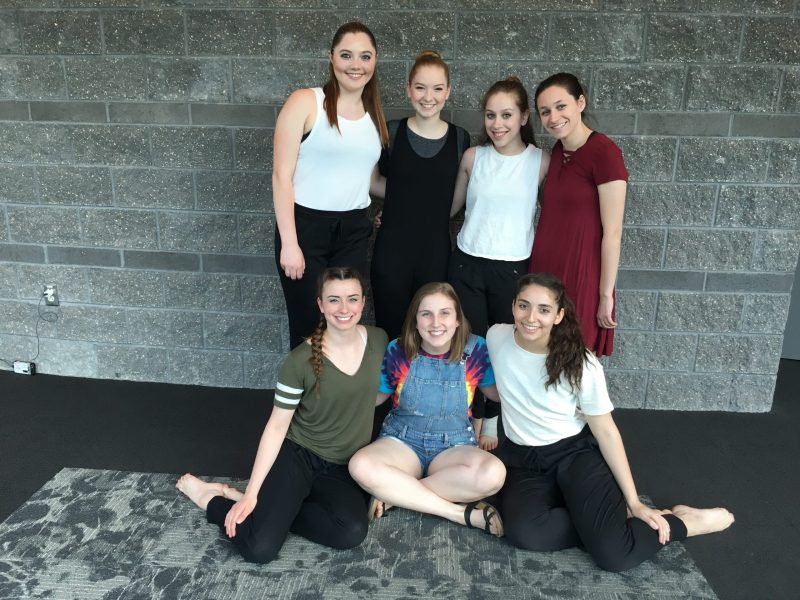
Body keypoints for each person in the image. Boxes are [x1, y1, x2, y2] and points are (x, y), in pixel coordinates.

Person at [486, 273, 734, 572]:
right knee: (524, 532)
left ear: (559, 315)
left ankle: (684, 523)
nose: (531, 317)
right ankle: (602, 522)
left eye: (544, 309)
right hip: (524, 460)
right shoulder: (496, 337)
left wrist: (634, 501)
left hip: (573, 456)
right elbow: (491, 383)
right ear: (513, 306)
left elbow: (606, 431)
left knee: (614, 556)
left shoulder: (580, 363)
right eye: (524, 305)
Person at [176, 267, 388, 563]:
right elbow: (276, 427)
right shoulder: (299, 362)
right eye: (334, 300)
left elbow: (374, 397)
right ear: (320, 304)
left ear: (363, 302)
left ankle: (271, 509)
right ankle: (211, 499)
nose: (344, 308)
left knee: (350, 532)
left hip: (342, 466)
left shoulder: (379, 341)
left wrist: (381, 479)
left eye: (352, 299)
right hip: (299, 456)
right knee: (259, 548)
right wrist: (252, 492)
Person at [348, 282, 506, 537]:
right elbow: (378, 397)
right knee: (360, 465)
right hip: (402, 441)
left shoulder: (476, 349)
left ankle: (396, 493)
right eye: (426, 314)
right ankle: (457, 513)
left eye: (445, 313)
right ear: (415, 320)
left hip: (454, 445)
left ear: (457, 319)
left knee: (494, 475)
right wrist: (338, 391)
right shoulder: (398, 349)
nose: (436, 323)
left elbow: (496, 394)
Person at [273, 21, 389, 349]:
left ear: (375, 60)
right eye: (346, 55)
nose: (356, 65)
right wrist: (290, 244)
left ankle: (336, 385)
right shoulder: (305, 102)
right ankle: (304, 385)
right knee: (308, 326)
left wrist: (410, 199)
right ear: (331, 57)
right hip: (305, 230)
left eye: (365, 56)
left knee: (344, 324)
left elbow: (370, 181)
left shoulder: (373, 115)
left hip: (353, 232)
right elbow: (281, 175)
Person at [448, 75, 549, 447]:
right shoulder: (473, 158)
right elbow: (450, 209)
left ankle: (491, 418)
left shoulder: (541, 162)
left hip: (513, 267)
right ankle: (470, 416)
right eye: (490, 115)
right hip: (467, 263)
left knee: (502, 348)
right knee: (469, 346)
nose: (497, 123)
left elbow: (558, 215)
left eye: (506, 115)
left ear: (523, 117)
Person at [370, 50, 471, 342]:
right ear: (408, 89)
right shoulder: (391, 132)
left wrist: (427, 209)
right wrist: (401, 204)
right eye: (420, 87)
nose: (429, 97)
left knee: (432, 333)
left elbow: (455, 197)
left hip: (435, 253)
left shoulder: (460, 139)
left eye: (437, 88)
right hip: (391, 252)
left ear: (448, 92)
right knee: (391, 332)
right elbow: (374, 182)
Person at [529, 72, 627, 357]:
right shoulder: (558, 150)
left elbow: (613, 233)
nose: (553, 117)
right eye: (545, 111)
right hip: (546, 270)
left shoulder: (604, 153)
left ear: (580, 102)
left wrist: (605, 295)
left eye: (561, 106)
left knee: (574, 357)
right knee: (541, 353)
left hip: (581, 271)